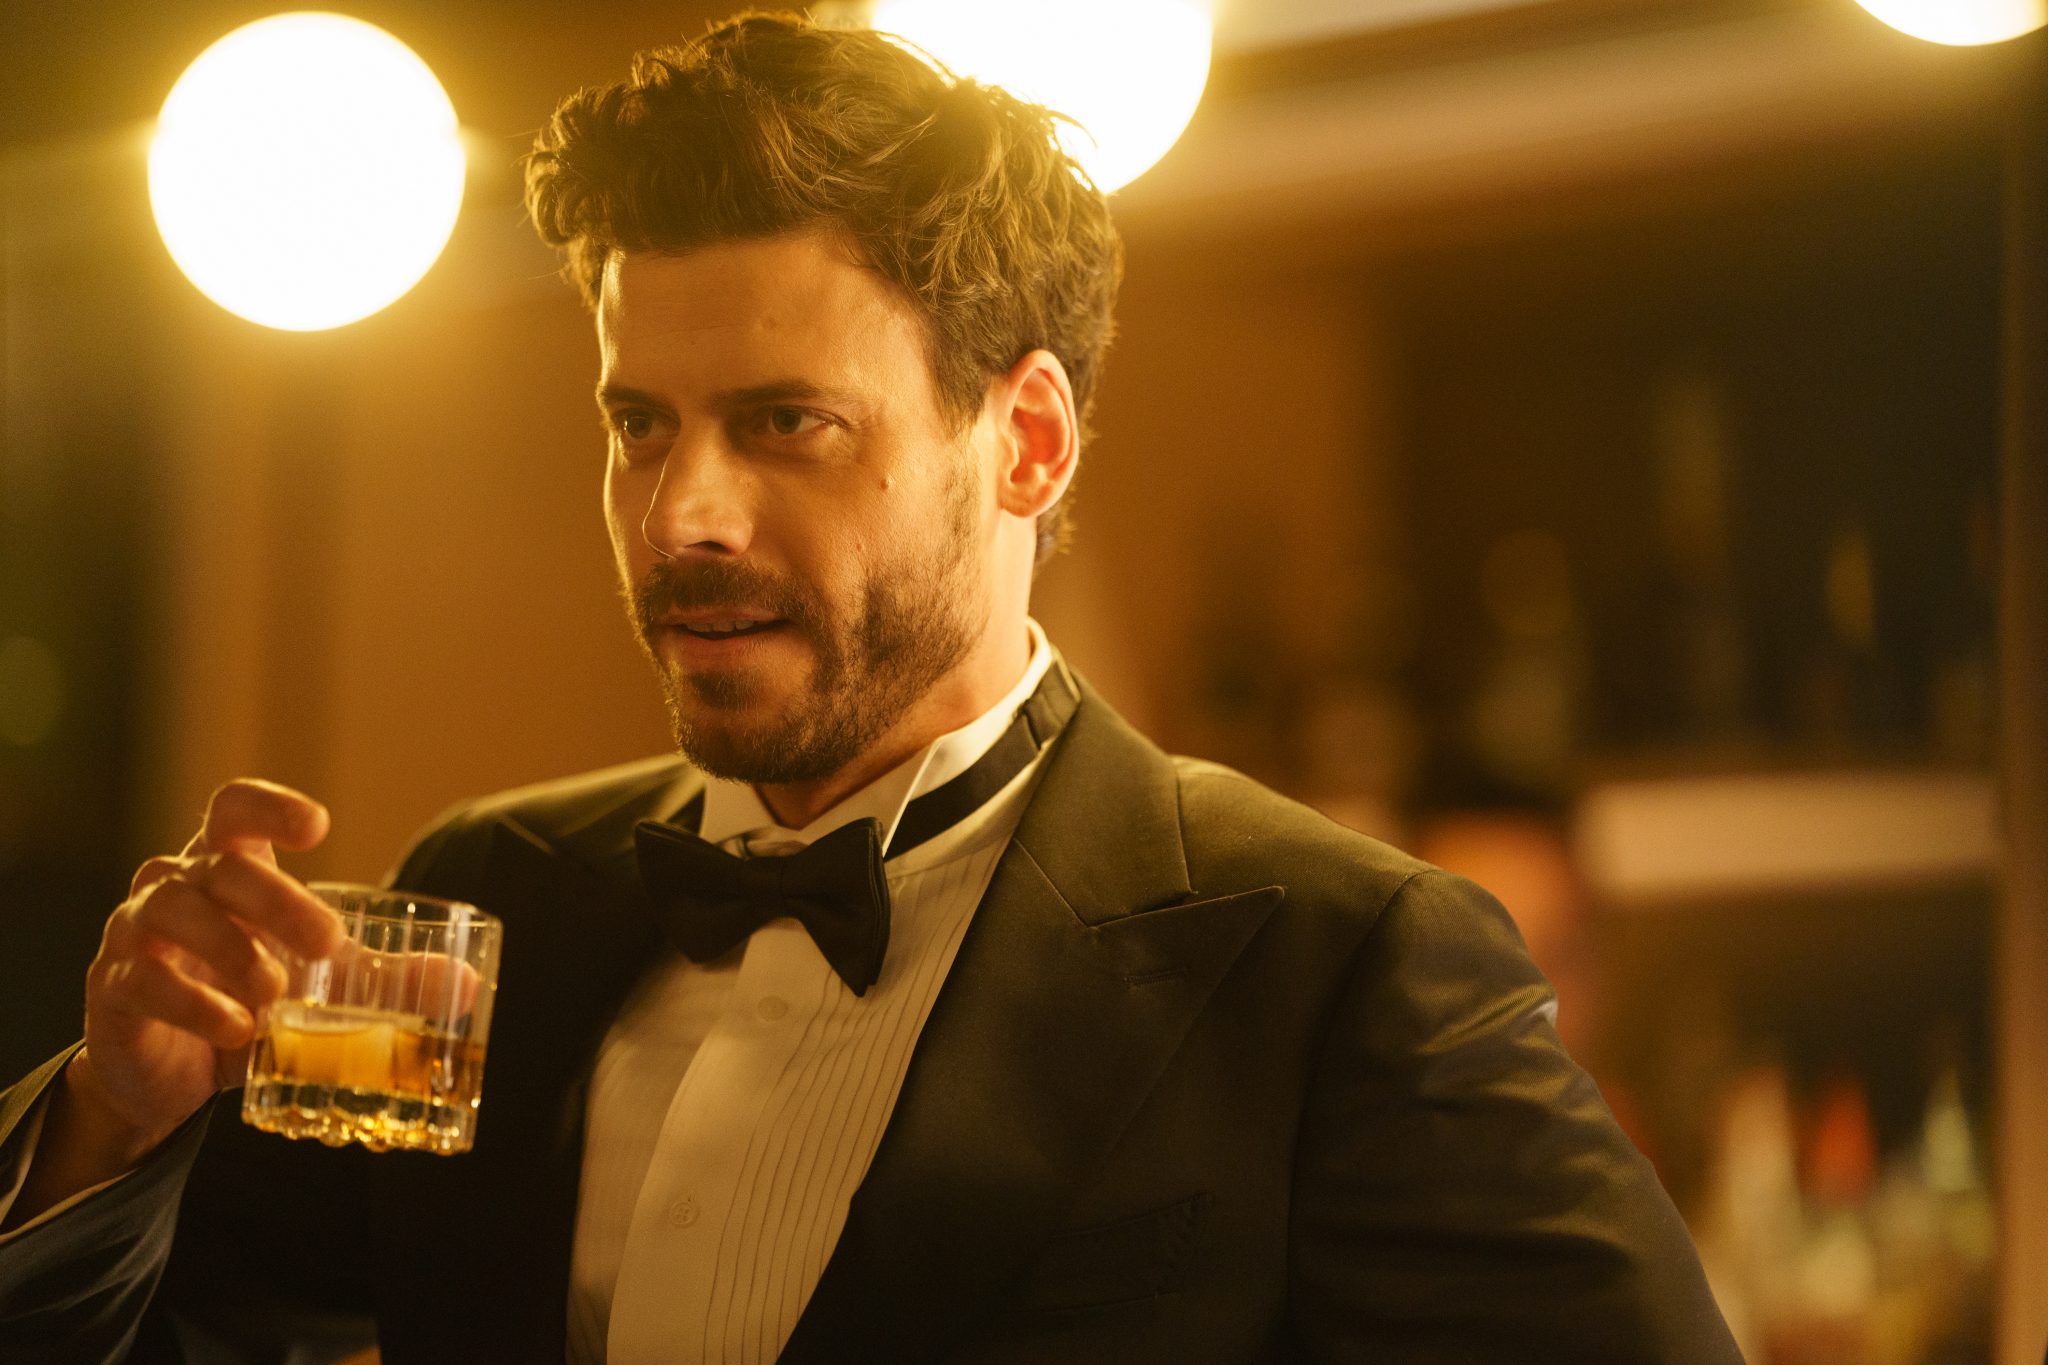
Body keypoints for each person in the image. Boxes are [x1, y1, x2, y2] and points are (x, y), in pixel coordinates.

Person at [0, 12, 1741, 1363]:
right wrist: (104, 1125)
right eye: (639, 423)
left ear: (1028, 440)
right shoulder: (495, 896)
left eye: (787, 421)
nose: (679, 514)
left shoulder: (1341, 967)